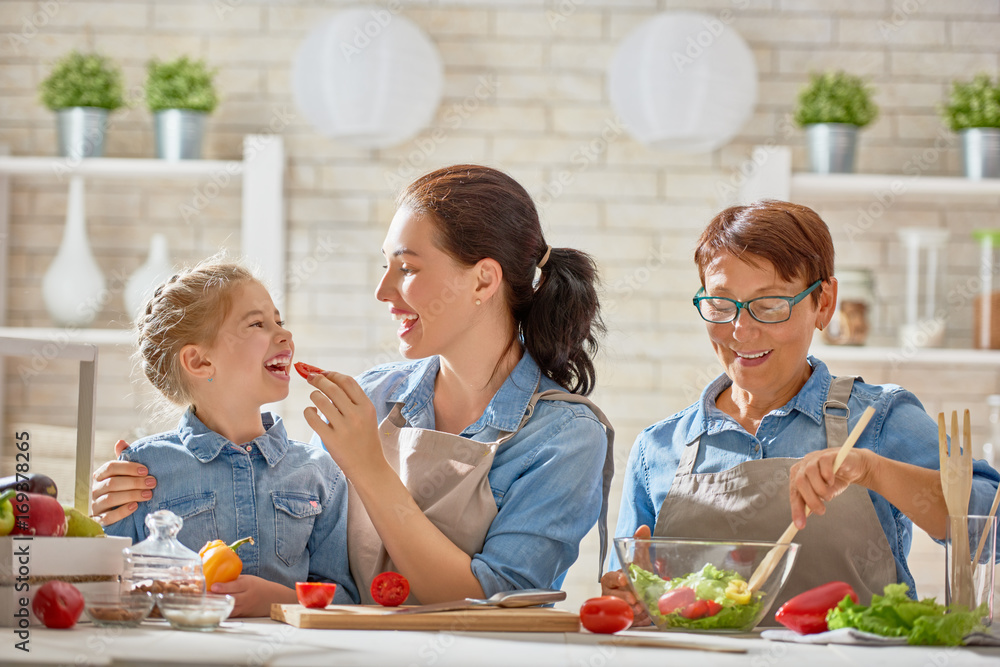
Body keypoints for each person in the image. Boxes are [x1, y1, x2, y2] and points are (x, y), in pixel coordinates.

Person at [93, 165, 615, 605]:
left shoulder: (565, 436)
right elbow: (284, 514)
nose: (383, 290)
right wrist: (134, 487)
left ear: (482, 280)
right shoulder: (376, 395)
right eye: (384, 266)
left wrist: (368, 466)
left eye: (406, 268)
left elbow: (493, 603)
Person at [601, 200, 1000, 625]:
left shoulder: (879, 418)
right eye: (720, 304)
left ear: (824, 303)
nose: (741, 330)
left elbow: (994, 531)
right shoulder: (658, 449)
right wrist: (629, 600)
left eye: (770, 304)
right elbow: (624, 598)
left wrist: (872, 470)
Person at [102, 259, 358, 616]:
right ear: (199, 361)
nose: (285, 335)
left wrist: (274, 600)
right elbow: (113, 593)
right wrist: (99, 520)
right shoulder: (143, 472)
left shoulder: (321, 473)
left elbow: (345, 600)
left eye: (279, 322)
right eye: (258, 324)